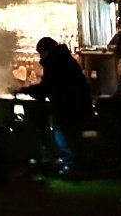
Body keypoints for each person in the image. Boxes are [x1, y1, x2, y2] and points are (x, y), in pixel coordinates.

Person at [20, 37, 94, 173]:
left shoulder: (55, 64)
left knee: (64, 135)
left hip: (68, 106)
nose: (40, 56)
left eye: (41, 52)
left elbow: (50, 87)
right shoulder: (63, 60)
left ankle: (71, 164)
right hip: (75, 104)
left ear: (47, 51)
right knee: (68, 135)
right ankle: (72, 162)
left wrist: (29, 90)